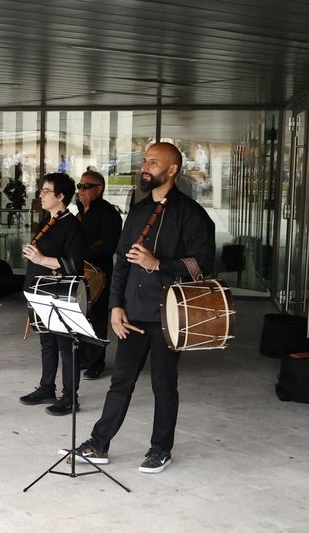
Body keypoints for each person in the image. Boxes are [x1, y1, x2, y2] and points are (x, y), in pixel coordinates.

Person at [71, 142, 215, 474]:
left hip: (170, 315)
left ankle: (160, 448)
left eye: (153, 162)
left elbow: (202, 266)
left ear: (173, 170)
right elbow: (121, 263)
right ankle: (99, 443)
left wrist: (158, 263)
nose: (145, 167)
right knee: (121, 381)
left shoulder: (192, 214)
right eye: (145, 161)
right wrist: (115, 307)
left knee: (164, 384)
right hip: (133, 312)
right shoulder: (137, 212)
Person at [18, 173, 86, 414]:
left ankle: (70, 396)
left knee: (65, 345)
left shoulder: (73, 226)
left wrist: (41, 259)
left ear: (61, 196)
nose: (41, 195)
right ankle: (47, 387)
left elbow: (74, 265)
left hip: (58, 293)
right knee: (47, 342)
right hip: (39, 290)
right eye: (42, 190)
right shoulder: (47, 222)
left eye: (47, 191)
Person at [75, 170, 122, 380]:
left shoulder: (109, 213)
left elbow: (109, 245)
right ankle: (83, 357)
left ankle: (96, 362)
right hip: (78, 271)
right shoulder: (78, 211)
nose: (81, 190)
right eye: (79, 186)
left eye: (86, 186)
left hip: (99, 273)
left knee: (97, 317)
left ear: (99, 189)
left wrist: (82, 253)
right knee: (80, 314)